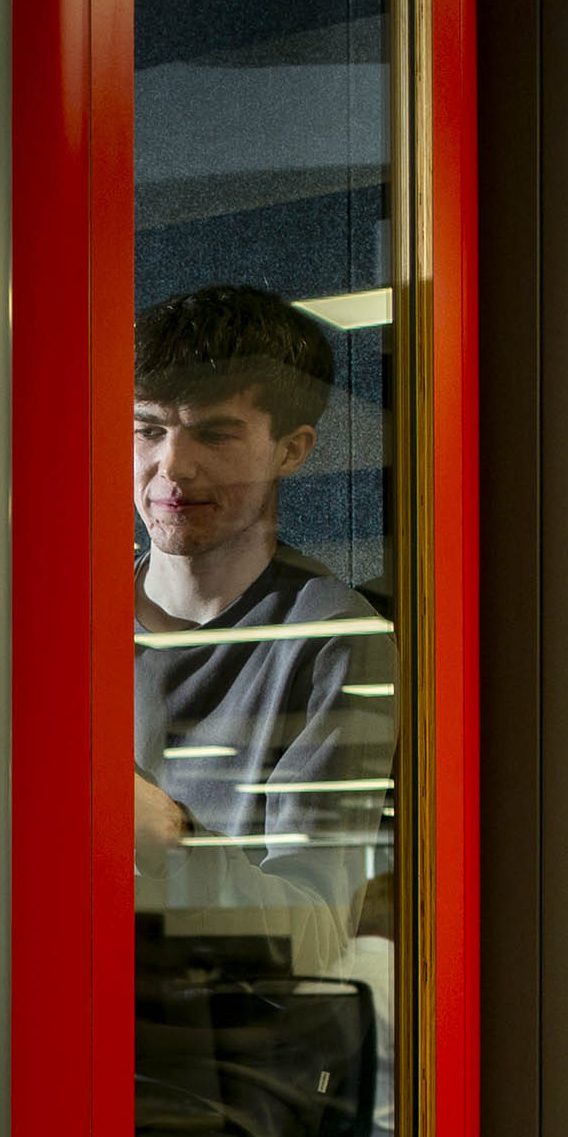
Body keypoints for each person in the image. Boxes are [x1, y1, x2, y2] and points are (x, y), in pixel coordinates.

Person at [129, 281, 387, 976]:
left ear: (292, 450)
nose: (171, 468)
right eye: (148, 429)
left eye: (213, 433)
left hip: (207, 1054)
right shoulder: (67, 621)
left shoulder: (336, 639)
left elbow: (312, 934)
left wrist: (166, 839)